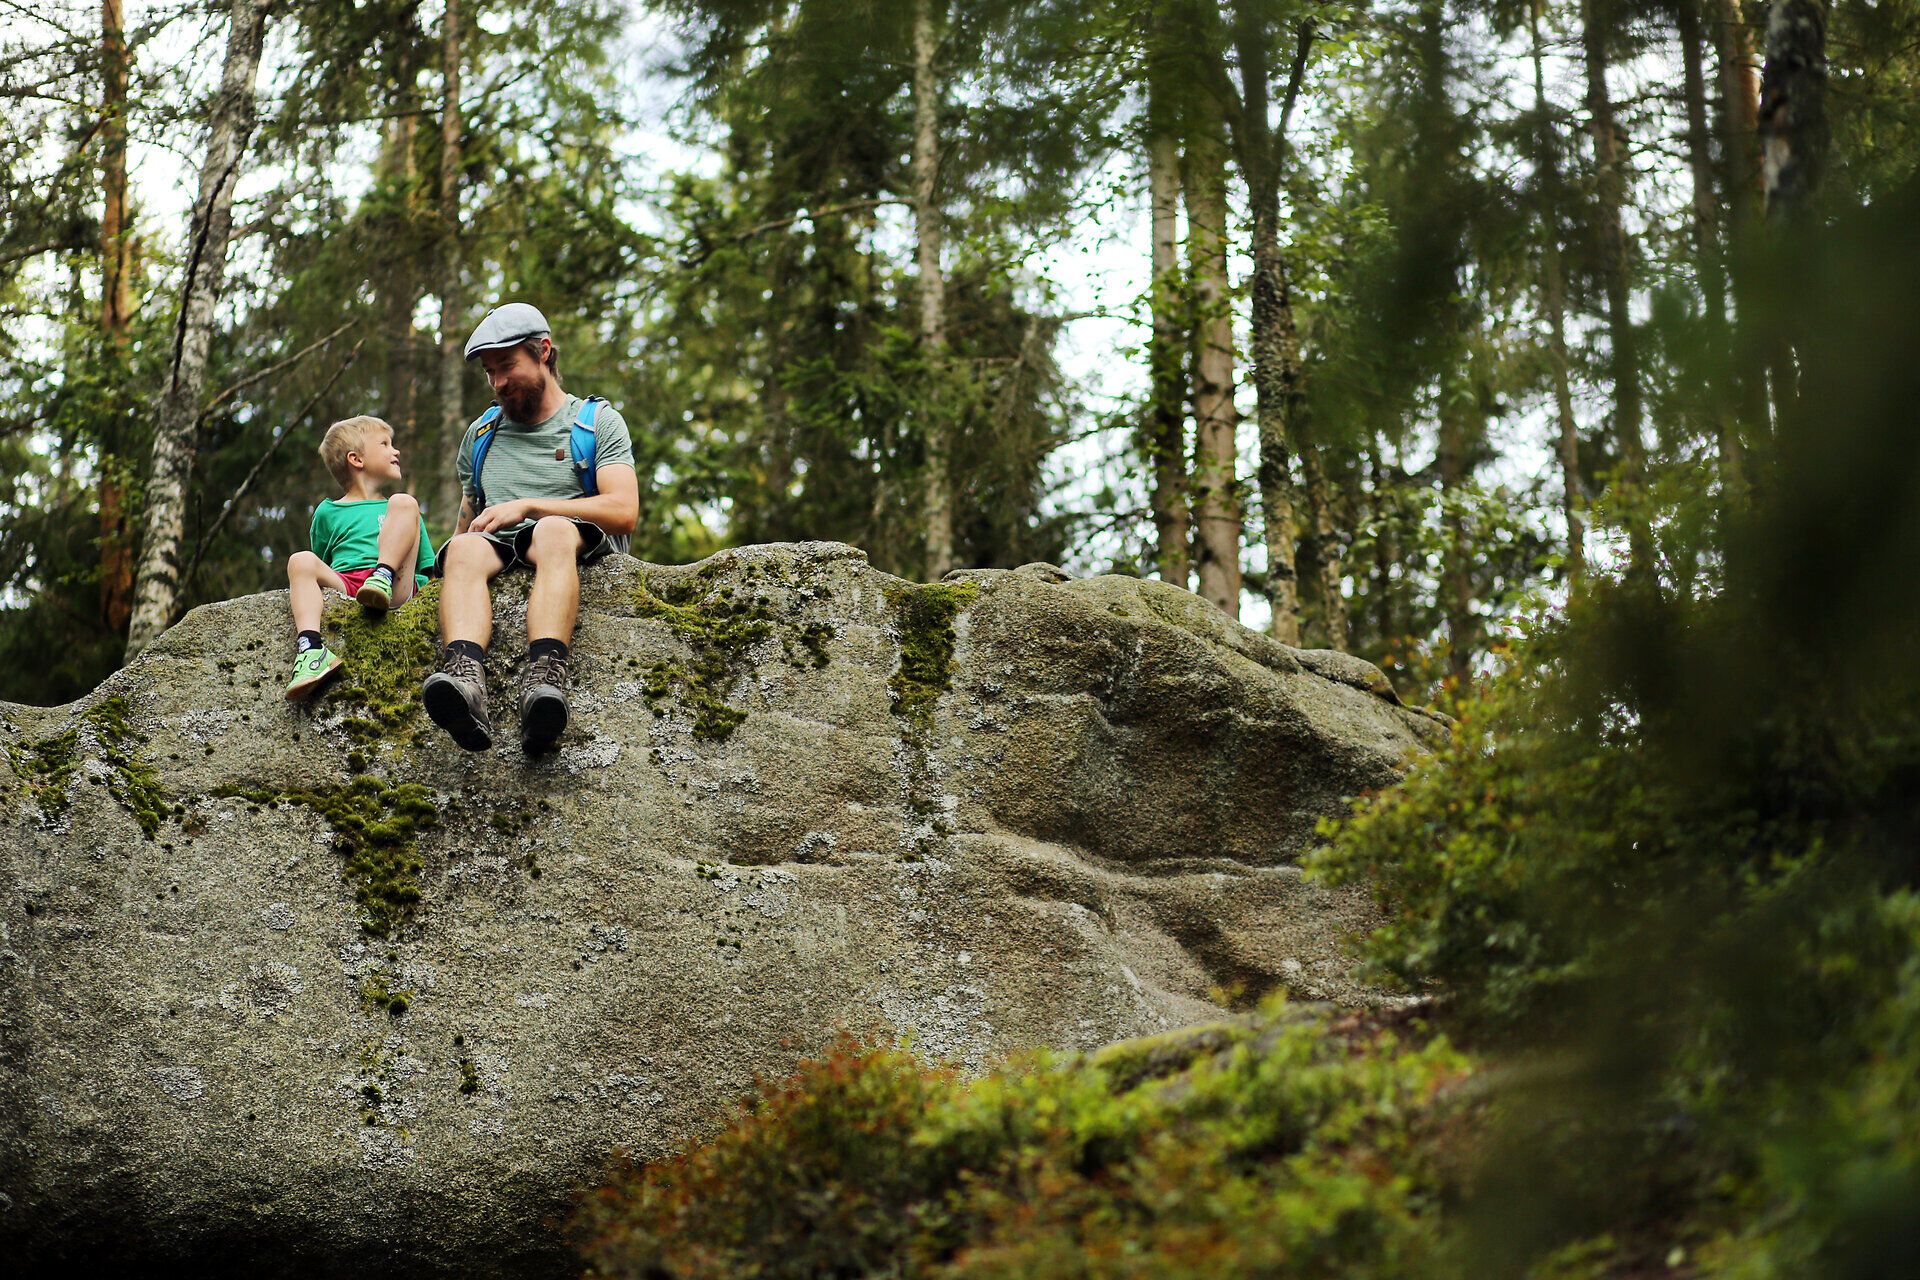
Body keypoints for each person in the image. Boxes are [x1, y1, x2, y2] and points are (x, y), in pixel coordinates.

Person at [422, 302, 639, 754]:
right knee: (462, 550)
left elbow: (623, 510)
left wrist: (530, 507)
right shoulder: (482, 434)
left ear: (543, 351)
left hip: (569, 544)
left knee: (553, 530)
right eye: (489, 372)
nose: (498, 383)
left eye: (507, 366)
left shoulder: (595, 422)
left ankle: (544, 680)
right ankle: (465, 681)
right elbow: (468, 518)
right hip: (498, 551)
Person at [285, 415, 434, 699]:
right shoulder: (327, 512)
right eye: (385, 444)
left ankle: (382, 575)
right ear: (356, 459)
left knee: (404, 501)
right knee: (300, 560)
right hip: (350, 586)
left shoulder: (401, 510)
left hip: (396, 585)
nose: (396, 451)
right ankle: (311, 650)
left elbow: (428, 569)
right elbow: (322, 565)